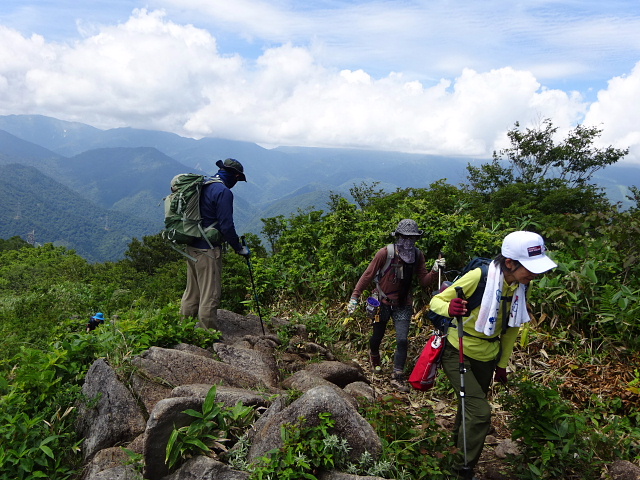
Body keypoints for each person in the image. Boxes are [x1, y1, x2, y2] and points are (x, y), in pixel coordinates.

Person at [429, 231, 557, 479]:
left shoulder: (519, 286)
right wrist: (449, 307)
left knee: (468, 407)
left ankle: (452, 456)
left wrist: (502, 364)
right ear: (509, 262)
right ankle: (462, 470)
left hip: (488, 354)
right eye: (530, 268)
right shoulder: (481, 276)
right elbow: (436, 302)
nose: (535, 274)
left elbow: (511, 329)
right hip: (459, 350)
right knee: (480, 413)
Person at [347, 219, 446, 392]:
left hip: (403, 303)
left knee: (402, 339)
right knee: (377, 336)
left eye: (412, 238)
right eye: (404, 237)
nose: (408, 242)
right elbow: (368, 274)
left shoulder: (417, 255)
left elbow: (424, 281)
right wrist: (355, 296)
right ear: (398, 236)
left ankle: (397, 375)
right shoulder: (385, 253)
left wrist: (434, 270)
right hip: (382, 301)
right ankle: (375, 358)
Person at [180, 158, 251, 330]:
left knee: (192, 292)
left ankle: (183, 330)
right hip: (208, 250)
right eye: (237, 179)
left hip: (191, 245)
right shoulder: (223, 192)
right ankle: (208, 335)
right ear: (235, 175)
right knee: (210, 295)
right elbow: (226, 225)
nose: (236, 183)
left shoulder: (203, 184)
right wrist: (239, 248)